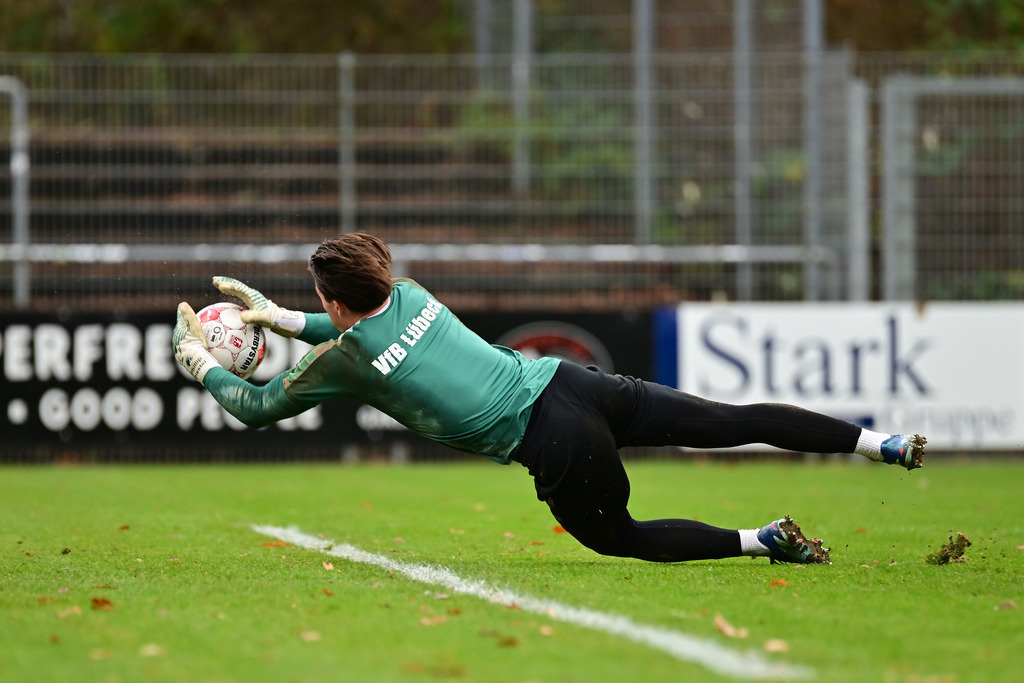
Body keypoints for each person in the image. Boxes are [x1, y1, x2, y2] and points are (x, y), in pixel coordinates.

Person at [173, 232, 926, 565]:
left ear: (336, 303)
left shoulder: (342, 361)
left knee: (616, 536)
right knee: (725, 420)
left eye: (314, 301)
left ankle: (761, 538)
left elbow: (257, 406)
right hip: (574, 382)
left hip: (552, 439)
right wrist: (280, 316)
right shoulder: (407, 292)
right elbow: (355, 327)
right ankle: (879, 443)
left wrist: (200, 361)